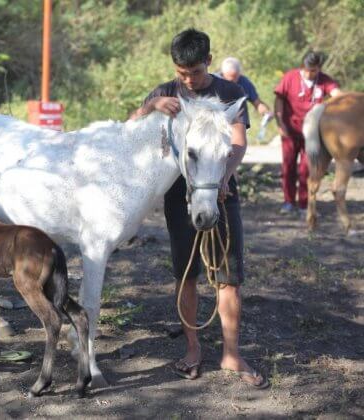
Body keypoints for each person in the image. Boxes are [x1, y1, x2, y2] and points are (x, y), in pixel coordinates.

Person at [130, 28, 269, 389]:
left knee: (229, 275)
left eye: (193, 71)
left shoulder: (230, 92)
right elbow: (129, 128)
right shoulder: (166, 92)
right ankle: (193, 348)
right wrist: (150, 107)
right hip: (180, 195)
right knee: (186, 273)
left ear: (208, 60)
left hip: (222, 190)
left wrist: (225, 175)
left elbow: (238, 142)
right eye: (181, 73)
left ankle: (232, 353)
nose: (188, 79)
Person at [274, 51, 341, 215]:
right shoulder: (290, 78)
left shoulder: (324, 80)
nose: (311, 74)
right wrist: (281, 124)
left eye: (315, 70)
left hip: (312, 133)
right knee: (288, 167)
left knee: (307, 169)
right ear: (302, 67)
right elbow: (279, 101)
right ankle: (289, 202)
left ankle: (304, 204)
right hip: (290, 130)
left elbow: (337, 95)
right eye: (308, 70)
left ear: (319, 69)